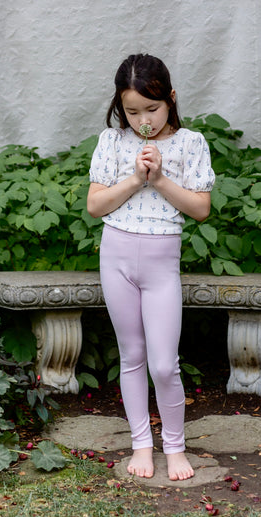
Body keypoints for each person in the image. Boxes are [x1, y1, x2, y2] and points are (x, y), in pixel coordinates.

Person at [87, 53, 215, 481]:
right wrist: (135, 178)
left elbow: (200, 209)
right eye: (133, 111)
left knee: (164, 364)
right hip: (116, 254)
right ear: (120, 107)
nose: (144, 119)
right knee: (133, 356)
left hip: (162, 261)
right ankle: (142, 443)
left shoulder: (190, 143)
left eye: (153, 109)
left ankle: (175, 448)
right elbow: (95, 205)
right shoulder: (112, 141)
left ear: (171, 98)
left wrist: (159, 179)